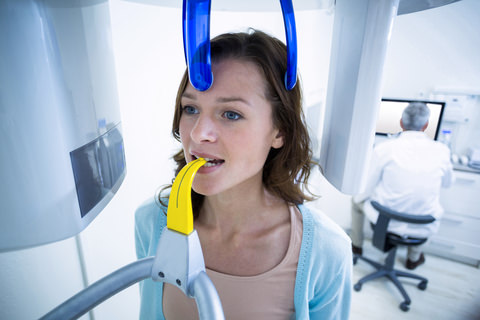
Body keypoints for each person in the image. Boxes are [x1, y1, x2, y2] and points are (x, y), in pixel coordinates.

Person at [135, 30, 352, 319]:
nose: (198, 134)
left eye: (231, 114)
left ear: (280, 131)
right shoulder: (151, 221)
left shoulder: (327, 252)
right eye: (190, 108)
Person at [350, 102, 454, 270]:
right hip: (423, 223)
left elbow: (368, 186)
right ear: (426, 125)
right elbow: (448, 184)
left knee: (356, 202)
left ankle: (356, 246)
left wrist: (359, 197)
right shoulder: (442, 150)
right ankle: (413, 258)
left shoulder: (384, 148)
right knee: (424, 204)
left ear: (400, 123)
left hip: (386, 221)